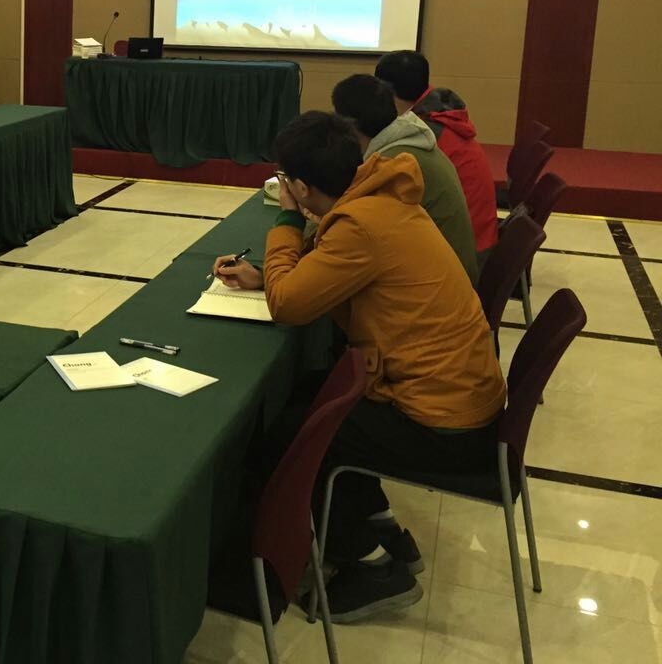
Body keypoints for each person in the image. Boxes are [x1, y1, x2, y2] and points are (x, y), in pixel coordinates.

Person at [214, 111, 505, 623]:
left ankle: (373, 566)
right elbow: (319, 276)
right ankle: (380, 526)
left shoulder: (360, 225)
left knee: (302, 436)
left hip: (442, 422)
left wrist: (287, 223)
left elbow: (288, 305)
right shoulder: (381, 198)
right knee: (312, 392)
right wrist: (269, 275)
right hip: (458, 395)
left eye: (286, 182)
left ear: (301, 187)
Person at [332, 74, 479, 283]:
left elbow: (349, 231)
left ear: (349, 126)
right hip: (451, 273)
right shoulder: (411, 140)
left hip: (440, 282)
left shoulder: (393, 163)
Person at [375, 50, 497, 256]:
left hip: (464, 253)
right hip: (479, 238)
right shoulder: (439, 113)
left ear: (385, 91)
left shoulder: (422, 133)